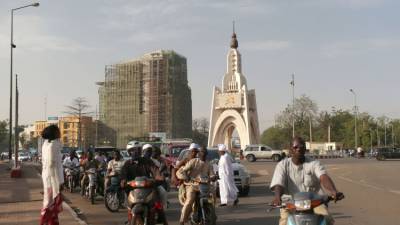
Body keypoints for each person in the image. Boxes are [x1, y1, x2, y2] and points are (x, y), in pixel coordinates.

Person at [270, 137, 344, 225]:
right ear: (290, 150)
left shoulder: (314, 163)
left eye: (301, 147)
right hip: (290, 203)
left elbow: (323, 177)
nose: (299, 149)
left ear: (305, 149)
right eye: (295, 147)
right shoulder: (282, 165)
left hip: (315, 203)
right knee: (284, 222)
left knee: (327, 219)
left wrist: (333, 191)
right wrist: (277, 197)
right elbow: (278, 183)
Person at [177, 146, 215, 225]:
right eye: (201, 152)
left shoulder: (209, 164)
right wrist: (185, 177)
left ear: (206, 154)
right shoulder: (193, 161)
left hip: (205, 185)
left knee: (213, 193)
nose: (202, 154)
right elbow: (182, 171)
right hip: (192, 185)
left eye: (204, 152)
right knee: (190, 200)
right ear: (199, 154)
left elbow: (212, 174)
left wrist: (213, 177)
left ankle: (212, 214)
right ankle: (182, 220)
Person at [40, 125, 64, 225]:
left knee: (51, 204)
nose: (60, 132)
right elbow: (52, 165)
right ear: (54, 133)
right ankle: (45, 222)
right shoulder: (53, 145)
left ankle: (51, 222)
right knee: (50, 204)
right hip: (52, 179)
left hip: (48, 178)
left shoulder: (46, 144)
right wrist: (59, 182)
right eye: (58, 131)